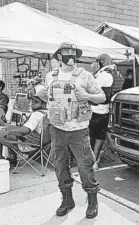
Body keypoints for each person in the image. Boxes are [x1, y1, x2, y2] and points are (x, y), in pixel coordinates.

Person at [45, 42, 106, 219]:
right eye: (67, 52)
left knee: (85, 166)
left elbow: (101, 96)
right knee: (60, 165)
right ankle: (67, 200)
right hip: (57, 128)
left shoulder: (84, 75)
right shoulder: (51, 76)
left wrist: (87, 96)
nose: (71, 55)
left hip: (78, 130)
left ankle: (92, 200)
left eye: (73, 52)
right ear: (59, 56)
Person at [0, 89, 48, 165]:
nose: (32, 103)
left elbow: (25, 130)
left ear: (43, 104)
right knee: (6, 128)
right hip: (39, 143)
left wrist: (9, 132)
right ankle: (11, 158)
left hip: (28, 145)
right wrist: (6, 126)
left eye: (36, 102)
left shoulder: (36, 115)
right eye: (32, 101)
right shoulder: (46, 113)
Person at [90, 53, 118, 170]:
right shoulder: (110, 73)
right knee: (99, 136)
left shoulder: (103, 75)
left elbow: (91, 88)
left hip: (96, 110)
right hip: (104, 110)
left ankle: (94, 159)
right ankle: (95, 159)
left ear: (101, 61)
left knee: (94, 136)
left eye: (97, 61)